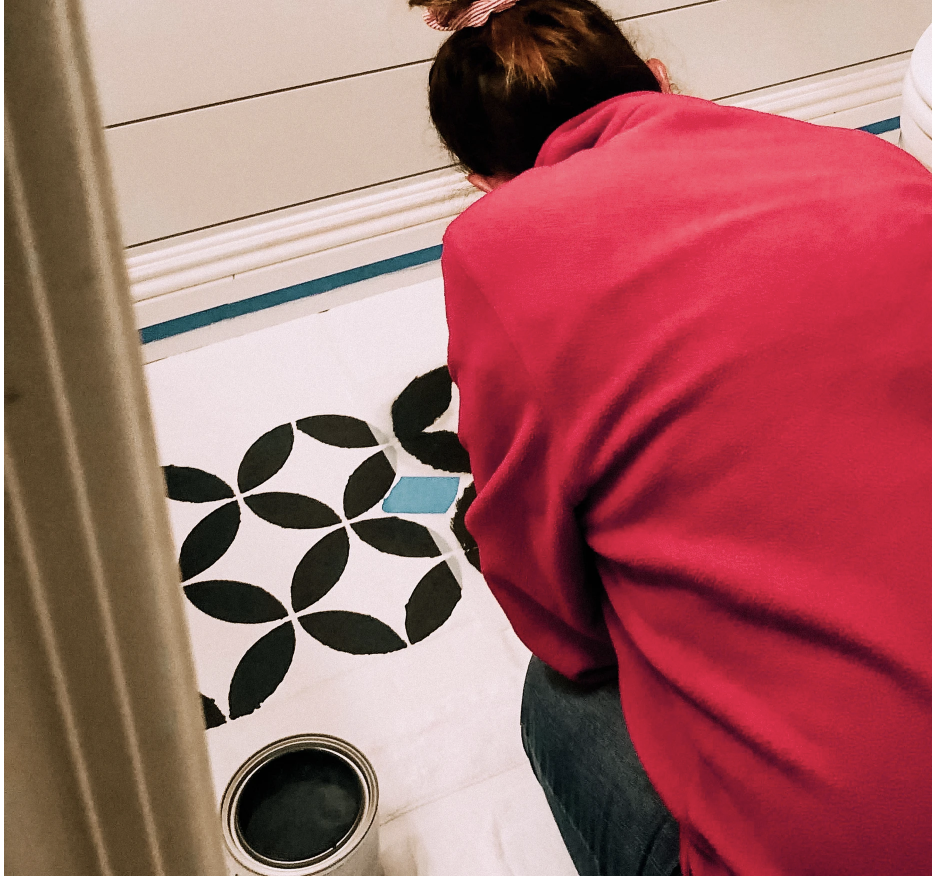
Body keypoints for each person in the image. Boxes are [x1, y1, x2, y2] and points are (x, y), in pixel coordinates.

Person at [412, 0, 932, 873]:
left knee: (564, 697)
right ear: (657, 80)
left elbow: (550, 607)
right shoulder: (877, 162)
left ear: (485, 183)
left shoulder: (495, 243)